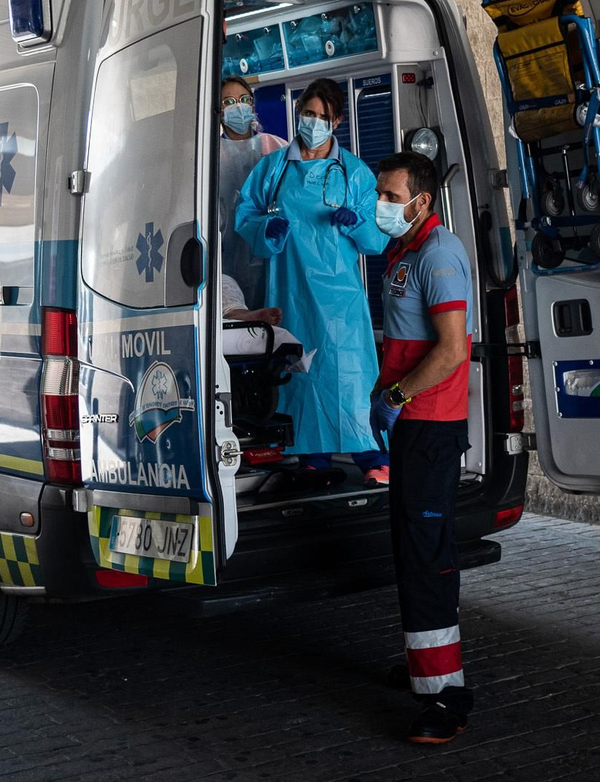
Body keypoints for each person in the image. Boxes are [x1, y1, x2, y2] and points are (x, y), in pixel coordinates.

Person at [233, 78, 390, 486]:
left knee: (348, 375)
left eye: (323, 117)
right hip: (290, 289)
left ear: (337, 122)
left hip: (340, 299)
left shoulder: (353, 173)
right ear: (298, 111)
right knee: (299, 372)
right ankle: (311, 455)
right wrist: (267, 228)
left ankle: (373, 455)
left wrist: (356, 224)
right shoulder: (274, 168)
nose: (314, 123)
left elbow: (376, 239)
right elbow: (245, 216)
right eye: (308, 113)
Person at [368, 150, 475, 744]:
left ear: (421, 200)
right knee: (411, 552)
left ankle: (448, 698)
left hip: (432, 427)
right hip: (411, 425)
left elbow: (452, 349)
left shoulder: (438, 253)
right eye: (379, 193)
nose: (380, 203)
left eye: (390, 195)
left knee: (429, 557)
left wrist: (398, 394)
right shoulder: (403, 251)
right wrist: (385, 393)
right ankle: (425, 669)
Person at [217, 76, 287, 309]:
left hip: (275, 250)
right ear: (219, 111)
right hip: (226, 257)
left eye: (244, 99)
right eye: (229, 102)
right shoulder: (209, 156)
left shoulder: (277, 147)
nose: (238, 106)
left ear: (253, 105)